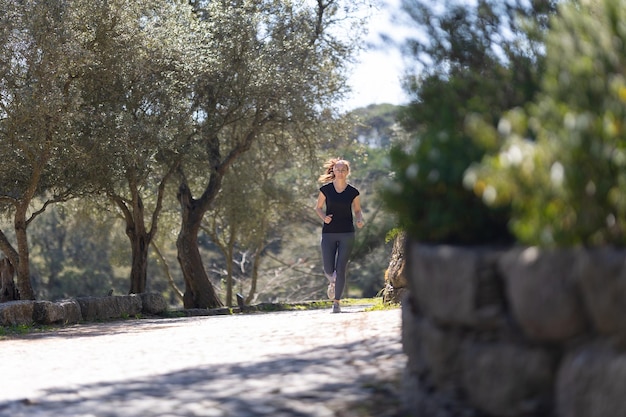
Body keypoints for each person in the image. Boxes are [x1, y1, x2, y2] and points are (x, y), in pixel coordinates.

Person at [314, 158, 364, 313]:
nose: (340, 172)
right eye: (338, 169)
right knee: (329, 269)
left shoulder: (353, 192)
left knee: (341, 268)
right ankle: (333, 282)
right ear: (333, 171)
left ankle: (336, 302)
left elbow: (357, 209)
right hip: (329, 233)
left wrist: (360, 218)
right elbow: (318, 207)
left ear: (347, 172)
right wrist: (324, 218)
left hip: (347, 233)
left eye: (343, 170)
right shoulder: (326, 190)